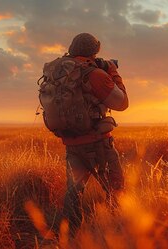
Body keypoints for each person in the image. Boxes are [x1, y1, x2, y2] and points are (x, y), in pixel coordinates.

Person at [53, 33, 128, 236]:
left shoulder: (61, 73)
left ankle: (70, 235)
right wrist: (113, 73)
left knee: (74, 192)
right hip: (98, 144)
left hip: (71, 142)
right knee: (115, 188)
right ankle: (116, 232)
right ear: (94, 52)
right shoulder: (94, 74)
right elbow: (122, 103)